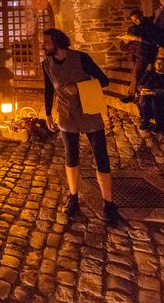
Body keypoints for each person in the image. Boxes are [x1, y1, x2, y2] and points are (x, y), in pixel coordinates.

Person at [42, 28, 120, 225]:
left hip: (89, 112)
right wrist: (48, 114)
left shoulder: (81, 58)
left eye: (46, 42)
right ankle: (73, 198)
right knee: (71, 157)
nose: (43, 45)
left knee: (100, 156)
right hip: (67, 116)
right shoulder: (46, 65)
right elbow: (48, 90)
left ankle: (108, 204)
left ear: (58, 42)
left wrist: (78, 87)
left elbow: (103, 80)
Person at [119, 9, 163, 103]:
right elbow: (122, 46)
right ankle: (139, 96)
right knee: (138, 75)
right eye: (133, 20)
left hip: (143, 55)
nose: (136, 21)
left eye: (137, 19)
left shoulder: (151, 27)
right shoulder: (131, 29)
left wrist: (139, 39)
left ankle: (131, 95)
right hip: (132, 55)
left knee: (136, 75)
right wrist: (125, 41)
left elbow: (155, 42)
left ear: (142, 16)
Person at [136, 57, 164, 133]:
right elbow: (140, 85)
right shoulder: (149, 73)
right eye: (156, 63)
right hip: (147, 93)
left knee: (154, 103)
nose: (158, 64)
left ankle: (159, 124)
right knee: (144, 102)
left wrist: (159, 91)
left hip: (161, 95)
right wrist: (144, 90)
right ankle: (145, 120)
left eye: (161, 63)